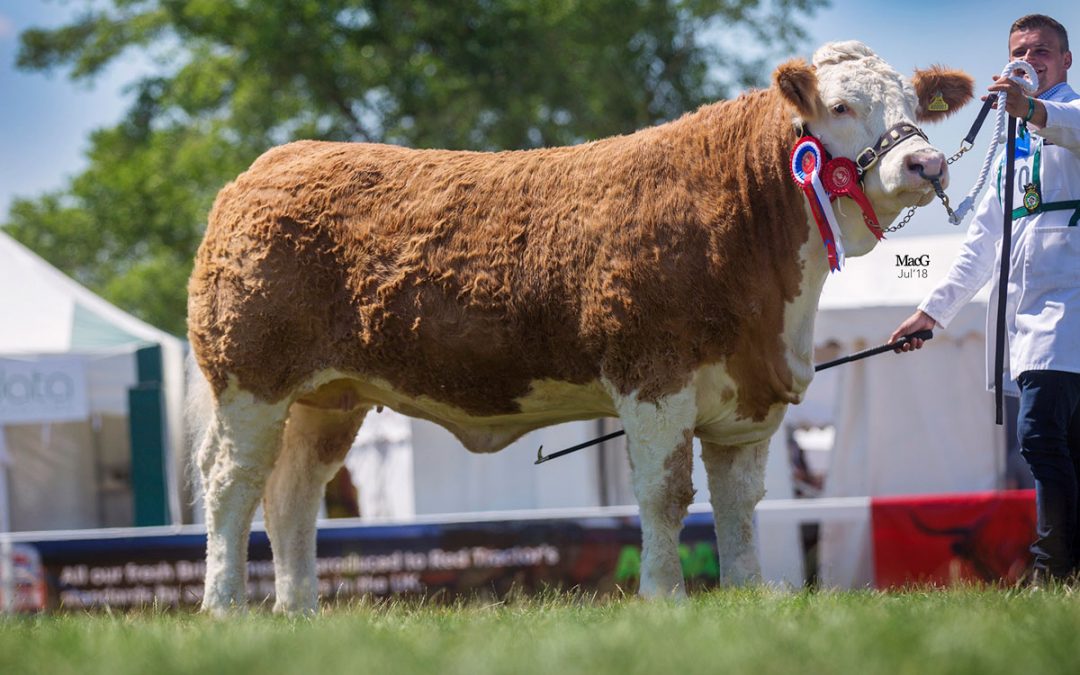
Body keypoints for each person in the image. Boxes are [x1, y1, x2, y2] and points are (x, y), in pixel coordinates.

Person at [891, 14, 1080, 582]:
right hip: (1030, 324)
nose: (1030, 59)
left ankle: (1052, 571)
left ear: (1066, 61)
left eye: (1042, 51)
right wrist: (931, 314)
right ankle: (1066, 572)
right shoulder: (1008, 146)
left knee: (1041, 440)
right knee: (1061, 448)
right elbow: (980, 247)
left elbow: (1069, 125)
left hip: (1071, 314)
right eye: (1020, 51)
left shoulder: (1065, 116)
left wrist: (1033, 112)